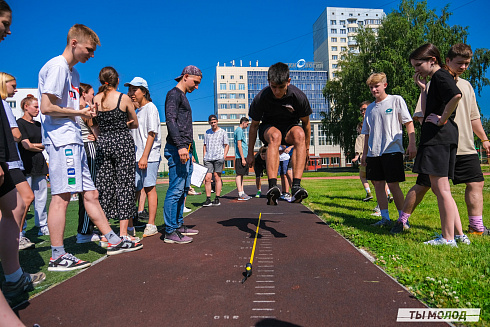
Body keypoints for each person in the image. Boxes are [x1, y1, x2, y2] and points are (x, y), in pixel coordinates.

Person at [38, 24, 143, 271]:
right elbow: (46, 107)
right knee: (62, 197)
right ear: (74, 43)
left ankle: (114, 239)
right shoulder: (57, 67)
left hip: (75, 140)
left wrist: (85, 115)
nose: (92, 55)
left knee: (92, 194)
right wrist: (79, 111)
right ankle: (57, 255)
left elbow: (70, 109)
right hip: (62, 140)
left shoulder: (72, 73)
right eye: (89, 49)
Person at [392, 43, 488, 239]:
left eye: (467, 64)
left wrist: (484, 139)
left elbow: (472, 117)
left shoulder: (462, 84)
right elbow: (422, 115)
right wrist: (424, 92)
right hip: (441, 143)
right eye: (459, 63)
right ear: (447, 61)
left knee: (472, 184)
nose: (463, 67)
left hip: (458, 145)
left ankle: (471, 229)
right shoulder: (435, 81)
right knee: (425, 186)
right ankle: (403, 220)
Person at [0, 0, 46, 308]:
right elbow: (17, 135)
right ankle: (13, 274)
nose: (9, 29)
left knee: (19, 204)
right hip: (9, 159)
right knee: (22, 202)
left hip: (8, 157)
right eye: (4, 23)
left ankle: (13, 274)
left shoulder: (6, 104)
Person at [407, 43, 463, 246]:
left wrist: (442, 119)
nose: (416, 70)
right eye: (414, 67)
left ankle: (448, 238)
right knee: (443, 189)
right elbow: (427, 107)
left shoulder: (440, 76)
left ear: (433, 60)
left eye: (418, 65)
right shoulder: (435, 80)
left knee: (441, 190)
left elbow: (456, 95)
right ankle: (458, 235)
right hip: (442, 138)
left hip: (438, 139)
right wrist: (423, 90)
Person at [246, 62, 311, 205]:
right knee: (276, 136)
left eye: (281, 87)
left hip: (289, 128)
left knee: (299, 133)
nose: (277, 92)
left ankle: (296, 187)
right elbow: (254, 126)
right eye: (273, 87)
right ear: (268, 82)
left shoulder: (298, 97)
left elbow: (306, 124)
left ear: (288, 81)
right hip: (269, 129)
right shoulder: (261, 97)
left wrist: (306, 149)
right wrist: (250, 153)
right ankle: (272, 186)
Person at [360, 73, 416, 227]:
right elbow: (367, 133)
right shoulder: (370, 108)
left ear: (385, 85)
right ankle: (385, 217)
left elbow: (409, 122)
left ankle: (402, 219)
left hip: (392, 150)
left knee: (393, 184)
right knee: (378, 184)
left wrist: (412, 144)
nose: (373, 89)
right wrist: (365, 154)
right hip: (374, 152)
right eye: (371, 87)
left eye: (376, 86)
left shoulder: (396, 100)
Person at [94, 67, 140, 242]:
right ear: (117, 80)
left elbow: (93, 123)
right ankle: (123, 233)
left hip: (104, 143)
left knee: (104, 186)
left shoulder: (96, 99)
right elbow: (134, 123)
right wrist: (123, 124)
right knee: (125, 185)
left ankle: (107, 234)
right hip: (122, 142)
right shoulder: (124, 98)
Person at [163, 65, 201, 244]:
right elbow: (170, 120)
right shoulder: (174, 94)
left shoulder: (182, 96)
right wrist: (180, 146)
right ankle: (170, 231)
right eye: (196, 82)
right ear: (185, 76)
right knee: (176, 189)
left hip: (185, 148)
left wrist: (189, 149)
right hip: (177, 148)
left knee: (183, 189)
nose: (197, 87)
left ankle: (177, 225)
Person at [1, 73, 36, 251]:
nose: (15, 90)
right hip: (9, 161)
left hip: (9, 161)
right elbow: (16, 135)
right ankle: (17, 236)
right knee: (26, 198)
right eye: (13, 86)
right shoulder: (4, 105)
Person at [125, 77, 162, 238]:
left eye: (135, 89)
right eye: (130, 90)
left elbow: (151, 133)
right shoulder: (136, 111)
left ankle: (151, 224)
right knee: (133, 190)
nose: (132, 93)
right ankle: (130, 226)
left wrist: (144, 156)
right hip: (135, 156)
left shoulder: (151, 108)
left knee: (149, 187)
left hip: (149, 155)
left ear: (144, 91)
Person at [16, 95, 49, 238]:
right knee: (25, 199)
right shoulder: (19, 123)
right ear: (26, 106)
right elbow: (25, 145)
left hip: (39, 163)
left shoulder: (38, 125)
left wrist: (34, 146)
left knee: (41, 197)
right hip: (26, 164)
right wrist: (36, 146)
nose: (38, 110)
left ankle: (42, 225)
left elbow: (45, 144)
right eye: (35, 107)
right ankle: (21, 229)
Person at [76, 82, 100, 244]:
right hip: (88, 147)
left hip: (79, 148)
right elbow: (96, 130)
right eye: (91, 93)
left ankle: (87, 228)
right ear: (84, 94)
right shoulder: (85, 111)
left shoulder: (72, 109)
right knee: (89, 191)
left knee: (85, 191)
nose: (93, 96)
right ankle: (84, 231)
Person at [202, 114, 229, 207]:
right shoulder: (207, 132)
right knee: (207, 178)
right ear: (209, 123)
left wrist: (224, 156)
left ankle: (217, 198)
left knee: (217, 177)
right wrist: (204, 156)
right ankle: (208, 198)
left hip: (218, 158)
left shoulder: (223, 132)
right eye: (211, 122)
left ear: (217, 121)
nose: (213, 124)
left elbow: (226, 145)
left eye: (214, 122)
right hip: (208, 158)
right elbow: (204, 145)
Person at [234, 116, 251, 200]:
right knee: (239, 174)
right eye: (247, 124)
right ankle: (240, 193)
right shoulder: (239, 130)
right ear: (243, 122)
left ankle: (242, 192)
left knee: (242, 175)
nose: (247, 126)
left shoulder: (239, 131)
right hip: (240, 157)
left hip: (243, 156)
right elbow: (239, 144)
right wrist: (243, 158)